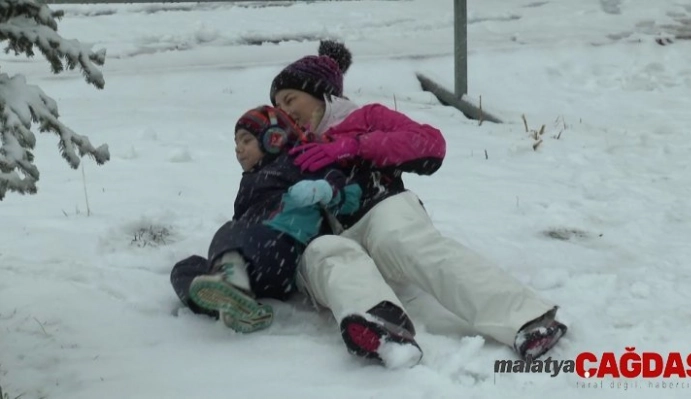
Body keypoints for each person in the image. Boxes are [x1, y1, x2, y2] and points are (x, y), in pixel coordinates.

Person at [269, 40, 568, 368]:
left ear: (320, 91)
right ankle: (380, 326)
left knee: (400, 240)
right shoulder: (281, 148)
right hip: (328, 236)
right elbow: (258, 201)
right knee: (324, 253)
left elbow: (429, 143)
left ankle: (525, 319)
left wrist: (352, 147)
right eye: (277, 106)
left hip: (380, 209)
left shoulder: (365, 118)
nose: (283, 111)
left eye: (289, 99)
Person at [170, 105, 362, 334]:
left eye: (246, 141)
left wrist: (324, 189)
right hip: (257, 265)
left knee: (231, 231)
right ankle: (233, 304)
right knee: (184, 268)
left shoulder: (297, 160)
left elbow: (349, 191)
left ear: (274, 139)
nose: (238, 150)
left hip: (285, 247)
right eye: (236, 144)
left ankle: (231, 284)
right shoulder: (249, 182)